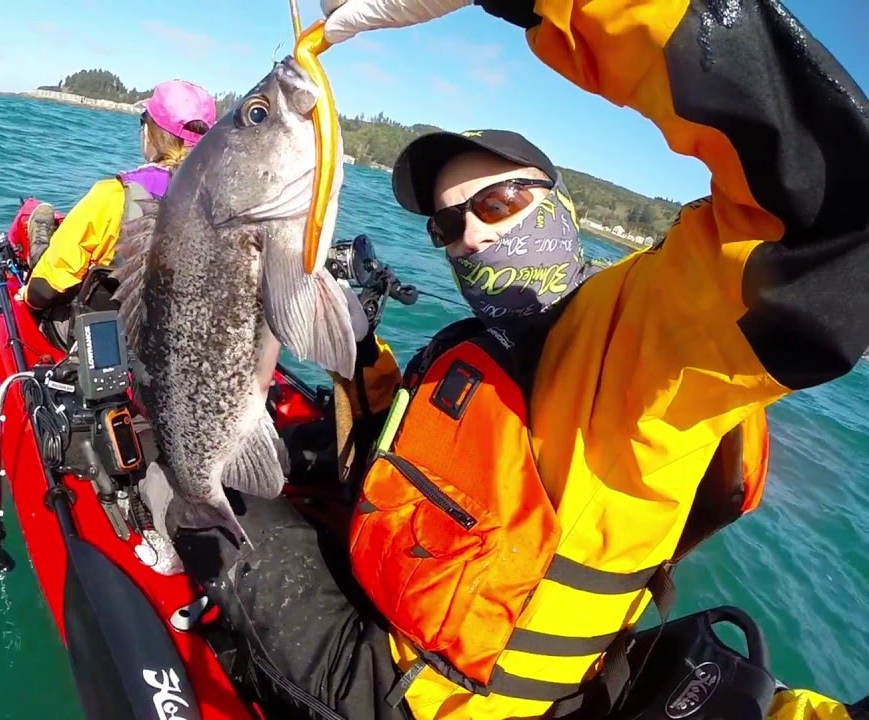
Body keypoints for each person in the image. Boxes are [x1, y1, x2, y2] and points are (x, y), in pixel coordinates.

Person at [169, 1, 869, 719]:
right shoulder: (483, 344)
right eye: (447, 224)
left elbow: (826, 209)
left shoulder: (649, 347)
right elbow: (441, 465)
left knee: (201, 514)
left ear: (557, 208)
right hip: (397, 618)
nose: (469, 236)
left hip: (432, 699)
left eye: (498, 202)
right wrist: (361, 364)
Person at [20, 79, 218, 343]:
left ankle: (40, 222)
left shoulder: (113, 196)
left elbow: (43, 291)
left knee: (43, 253)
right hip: (174, 339)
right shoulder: (220, 206)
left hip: (103, 340)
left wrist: (28, 296)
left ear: (151, 133)